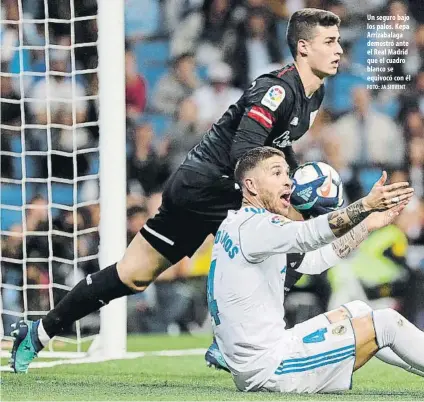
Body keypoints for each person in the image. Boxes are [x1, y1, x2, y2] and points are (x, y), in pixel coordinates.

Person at [11, 8, 344, 373]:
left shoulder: (314, 94)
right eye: (329, 41)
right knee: (290, 233)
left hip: (210, 186)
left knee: (132, 274)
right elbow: (244, 151)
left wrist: (294, 175)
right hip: (209, 184)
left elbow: (277, 143)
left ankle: (38, 332)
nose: (339, 49)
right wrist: (284, 196)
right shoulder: (276, 90)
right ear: (303, 47)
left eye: (338, 41)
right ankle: (230, 341)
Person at [206, 147, 423, 393]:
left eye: (287, 173)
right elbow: (309, 235)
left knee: (359, 310)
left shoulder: (238, 223)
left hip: (265, 356)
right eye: (276, 173)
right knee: (386, 321)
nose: (288, 181)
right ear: (251, 185)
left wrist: (368, 224)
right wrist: (364, 205)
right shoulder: (258, 227)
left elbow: (315, 260)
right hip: (271, 368)